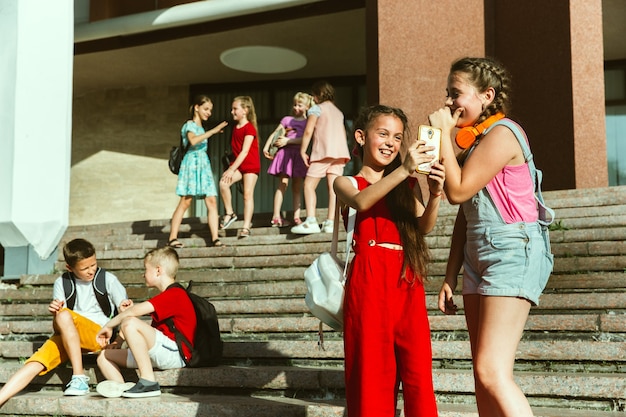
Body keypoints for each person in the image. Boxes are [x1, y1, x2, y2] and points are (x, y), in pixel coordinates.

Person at [429, 57, 554, 417]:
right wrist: (451, 274)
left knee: (491, 371)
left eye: (456, 93)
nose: (450, 102)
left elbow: (459, 190)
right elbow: (464, 213)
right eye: (448, 94)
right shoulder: (474, 144)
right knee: (483, 376)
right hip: (477, 254)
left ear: (487, 95)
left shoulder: (504, 134)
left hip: (512, 250)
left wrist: (440, 139)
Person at [334, 104, 445, 417]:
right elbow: (362, 200)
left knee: (418, 373)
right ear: (361, 136)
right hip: (368, 279)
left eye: (397, 137)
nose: (390, 143)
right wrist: (405, 170)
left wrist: (435, 194)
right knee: (371, 375)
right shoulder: (346, 182)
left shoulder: (405, 186)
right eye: (382, 133)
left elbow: (423, 226)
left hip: (407, 279)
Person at [0, 238, 130, 406]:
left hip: (98, 335)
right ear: (70, 267)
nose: (91, 271)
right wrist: (55, 310)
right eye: (85, 268)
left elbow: (126, 312)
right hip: (69, 337)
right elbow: (61, 321)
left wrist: (119, 338)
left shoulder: (108, 279)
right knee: (37, 360)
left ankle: (79, 376)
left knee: (63, 315)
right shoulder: (62, 282)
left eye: (93, 265)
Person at [95, 246, 196, 398]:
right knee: (104, 356)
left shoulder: (175, 294)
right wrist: (118, 340)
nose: (143, 274)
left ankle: (148, 382)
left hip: (176, 354)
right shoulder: (166, 297)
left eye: (145, 269)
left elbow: (133, 315)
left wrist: (108, 326)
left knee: (129, 321)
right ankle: (122, 388)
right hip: (162, 351)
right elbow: (140, 327)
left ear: (158, 270)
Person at [168, 94, 229, 249]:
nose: (209, 113)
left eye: (210, 110)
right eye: (206, 109)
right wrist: (213, 131)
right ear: (197, 107)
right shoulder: (189, 124)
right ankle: (172, 237)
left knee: (212, 200)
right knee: (186, 201)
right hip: (192, 164)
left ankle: (215, 238)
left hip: (203, 165)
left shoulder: (201, 128)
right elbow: (193, 140)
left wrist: (210, 131)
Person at [291, 81, 350, 234]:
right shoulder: (339, 112)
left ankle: (311, 220)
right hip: (339, 153)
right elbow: (343, 133)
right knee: (333, 189)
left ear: (317, 95)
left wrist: (303, 151)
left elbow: (308, 131)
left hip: (323, 152)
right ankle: (330, 222)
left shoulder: (316, 109)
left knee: (309, 185)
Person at [262, 92, 313, 227]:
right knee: (282, 183)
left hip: (298, 155)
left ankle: (296, 216)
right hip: (285, 154)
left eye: (300, 105)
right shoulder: (286, 120)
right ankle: (276, 216)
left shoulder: (309, 122)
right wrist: (266, 147)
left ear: (307, 107)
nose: (296, 108)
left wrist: (288, 140)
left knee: (297, 186)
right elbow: (276, 133)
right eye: (295, 105)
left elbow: (307, 138)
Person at [219, 96, 260, 239]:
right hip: (238, 165)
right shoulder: (234, 127)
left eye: (235, 109)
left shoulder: (250, 128)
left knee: (247, 194)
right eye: (232, 109)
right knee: (223, 183)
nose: (232, 112)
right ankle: (230, 213)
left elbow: (245, 151)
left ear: (245, 110)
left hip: (250, 165)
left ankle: (246, 227)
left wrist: (231, 169)